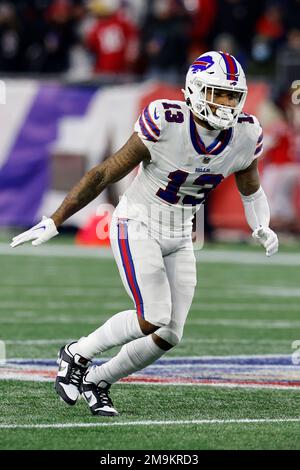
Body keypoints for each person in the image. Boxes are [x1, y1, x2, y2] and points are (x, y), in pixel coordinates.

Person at [10, 51, 279, 417]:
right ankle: (76, 353)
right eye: (218, 93)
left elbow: (251, 188)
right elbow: (104, 173)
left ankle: (98, 379)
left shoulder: (245, 134)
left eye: (232, 95)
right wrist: (56, 220)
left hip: (181, 233)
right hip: (138, 221)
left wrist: (260, 224)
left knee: (170, 334)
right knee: (153, 314)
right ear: (195, 90)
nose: (226, 103)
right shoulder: (166, 121)